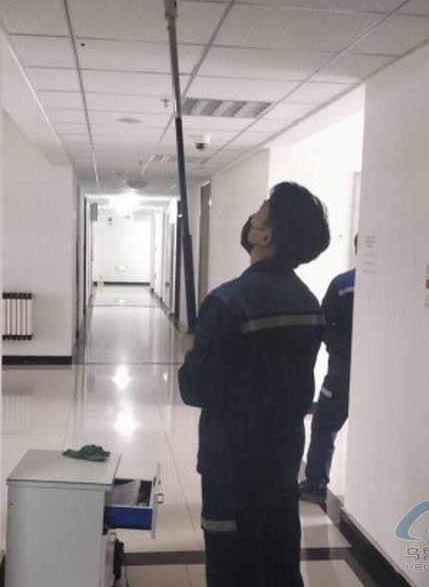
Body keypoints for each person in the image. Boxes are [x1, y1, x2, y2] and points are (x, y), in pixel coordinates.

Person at [178, 182, 330, 587]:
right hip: (283, 459)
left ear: (266, 237)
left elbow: (198, 390)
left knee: (233, 568)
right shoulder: (308, 302)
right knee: (279, 565)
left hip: (233, 466)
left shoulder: (228, 302)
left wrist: (191, 351)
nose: (252, 219)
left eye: (259, 215)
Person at [299, 235, 357, 503]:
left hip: (341, 373)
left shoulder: (343, 284)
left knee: (323, 424)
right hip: (376, 375)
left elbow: (326, 324)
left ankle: (315, 484)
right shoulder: (394, 285)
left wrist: (341, 350)